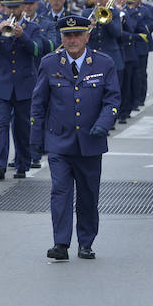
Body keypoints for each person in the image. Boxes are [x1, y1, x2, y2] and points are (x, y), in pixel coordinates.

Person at [29, 15, 119, 261]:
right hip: (60, 141)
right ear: (61, 38)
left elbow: (112, 99)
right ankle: (61, 243)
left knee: (88, 195)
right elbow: (38, 103)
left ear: (87, 36)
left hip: (91, 141)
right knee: (60, 191)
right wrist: (35, 140)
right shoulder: (50, 63)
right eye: (67, 35)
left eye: (77, 35)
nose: (72, 40)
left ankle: (86, 242)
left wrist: (103, 123)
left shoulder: (103, 63)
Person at [0, 0, 43, 179]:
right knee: (0, 125)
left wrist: (23, 36)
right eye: (8, 7)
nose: (11, 11)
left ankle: (22, 164)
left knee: (22, 127)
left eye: (15, 8)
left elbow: (37, 50)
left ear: (22, 8)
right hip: (2, 86)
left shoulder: (33, 28)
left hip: (24, 85)